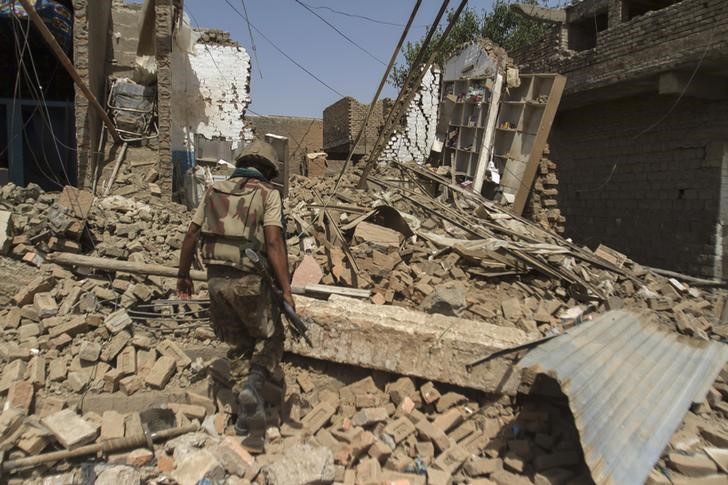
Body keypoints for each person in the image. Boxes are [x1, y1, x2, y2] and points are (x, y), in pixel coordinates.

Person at [176, 139, 294, 435]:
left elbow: (191, 234)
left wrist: (184, 275)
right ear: (268, 169)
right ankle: (254, 384)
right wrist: (287, 290)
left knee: (238, 344)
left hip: (215, 281)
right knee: (272, 337)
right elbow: (273, 242)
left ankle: (245, 415)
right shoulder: (268, 194)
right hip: (250, 282)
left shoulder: (214, 190)